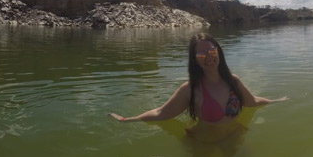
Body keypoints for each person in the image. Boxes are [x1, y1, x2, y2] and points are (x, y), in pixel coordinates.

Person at [109, 33, 288, 127]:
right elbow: (161, 113)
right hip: (204, 144)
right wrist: (127, 120)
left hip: (234, 138)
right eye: (201, 54)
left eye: (211, 51)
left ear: (218, 51)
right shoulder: (190, 89)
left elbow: (253, 101)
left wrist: (277, 101)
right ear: (195, 59)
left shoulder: (233, 80)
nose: (208, 57)